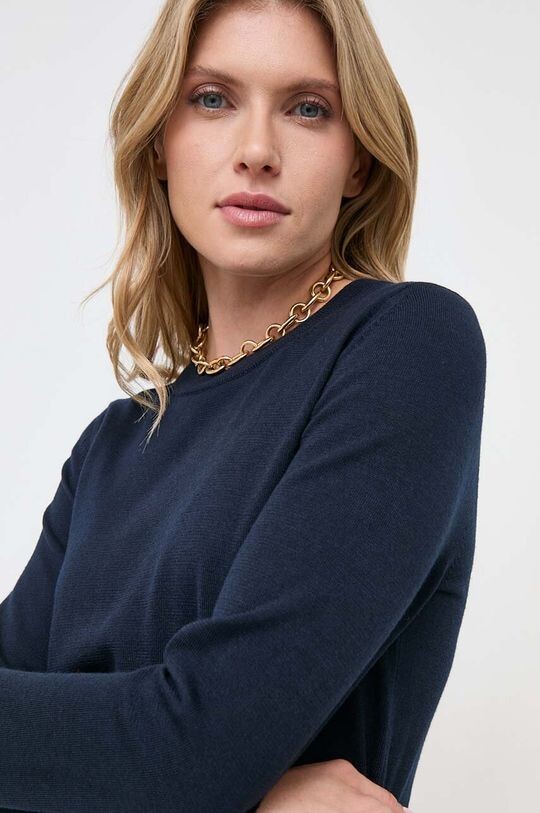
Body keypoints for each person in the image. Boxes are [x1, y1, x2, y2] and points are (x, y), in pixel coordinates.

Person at [0, 0, 486, 811]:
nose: (257, 150)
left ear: (360, 162)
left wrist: (192, 768)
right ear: (160, 143)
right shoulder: (111, 446)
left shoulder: (408, 345)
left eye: (308, 108)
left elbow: (197, 747)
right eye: (212, 98)